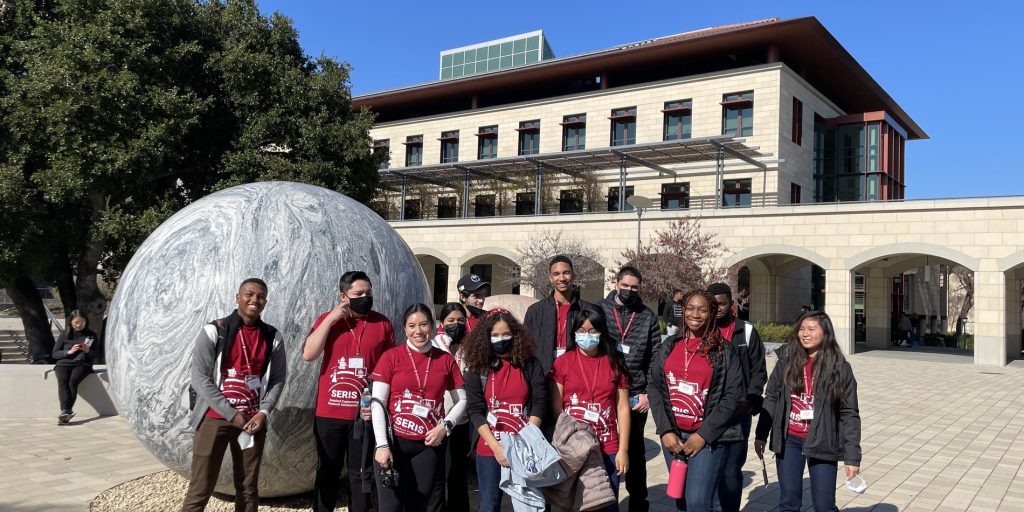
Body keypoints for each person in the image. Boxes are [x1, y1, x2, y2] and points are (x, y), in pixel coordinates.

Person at [182, 278, 287, 512]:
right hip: (214, 419)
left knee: (248, 487)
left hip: (252, 422)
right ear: (237, 297)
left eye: (260, 296)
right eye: (249, 294)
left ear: (265, 302)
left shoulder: (272, 336)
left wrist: (264, 411)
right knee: (200, 488)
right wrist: (231, 414)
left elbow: (279, 378)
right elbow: (200, 379)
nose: (254, 300)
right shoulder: (214, 331)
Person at [303, 271, 396, 512]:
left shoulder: (382, 323)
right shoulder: (328, 320)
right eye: (358, 294)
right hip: (329, 413)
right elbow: (308, 354)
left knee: (360, 474)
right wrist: (331, 319)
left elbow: (389, 370)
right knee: (327, 471)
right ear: (343, 296)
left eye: (369, 293)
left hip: (363, 415)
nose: (365, 297)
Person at [755, 311, 862, 512]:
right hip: (790, 441)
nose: (805, 334)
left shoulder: (839, 367)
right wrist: (761, 434)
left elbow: (849, 413)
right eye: (802, 329)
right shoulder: (786, 360)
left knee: (824, 506)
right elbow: (771, 397)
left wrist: (852, 457)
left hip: (823, 441)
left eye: (811, 329)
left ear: (825, 332)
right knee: (789, 503)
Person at [648, 290, 744, 512]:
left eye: (703, 309)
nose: (695, 314)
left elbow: (732, 397)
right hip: (673, 436)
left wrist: (703, 435)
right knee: (679, 497)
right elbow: (654, 385)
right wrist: (665, 430)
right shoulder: (671, 345)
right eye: (690, 308)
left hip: (706, 439)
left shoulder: (724, 351)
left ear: (712, 313)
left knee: (698, 502)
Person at [370, 303, 467, 512]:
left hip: (429, 446)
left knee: (419, 506)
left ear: (432, 326)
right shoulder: (391, 357)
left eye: (423, 325)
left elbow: (463, 400)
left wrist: (446, 426)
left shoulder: (445, 360)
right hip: (395, 442)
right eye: (412, 326)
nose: (418, 331)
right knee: (391, 507)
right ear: (404, 328)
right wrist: (381, 445)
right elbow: (377, 403)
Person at [462, 308, 547, 512]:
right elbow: (475, 410)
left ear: (515, 334)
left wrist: (524, 440)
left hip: (524, 447)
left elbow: (539, 402)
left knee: (528, 504)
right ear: (486, 337)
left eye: (506, 333)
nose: (502, 339)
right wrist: (497, 448)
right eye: (496, 335)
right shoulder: (477, 368)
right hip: (490, 447)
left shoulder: (530, 364)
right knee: (489, 504)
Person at [551, 306, 630, 511]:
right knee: (577, 504)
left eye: (593, 330)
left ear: (602, 332)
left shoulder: (615, 362)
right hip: (575, 448)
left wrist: (623, 450)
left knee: (607, 503)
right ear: (574, 332)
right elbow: (557, 408)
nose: (587, 335)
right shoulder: (563, 363)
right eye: (582, 330)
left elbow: (622, 408)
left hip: (607, 446)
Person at [599, 266, 661, 512]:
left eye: (634, 287)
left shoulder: (647, 316)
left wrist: (647, 392)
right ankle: (602, 501)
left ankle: (638, 503)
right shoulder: (600, 310)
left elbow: (655, 356)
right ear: (616, 284)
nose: (629, 290)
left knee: (635, 453)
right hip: (604, 392)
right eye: (625, 286)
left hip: (635, 394)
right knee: (603, 450)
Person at [707, 282, 767, 512]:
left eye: (722, 304)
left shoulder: (747, 331)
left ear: (731, 304)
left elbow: (759, 370)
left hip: (738, 414)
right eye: (713, 304)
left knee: (731, 471)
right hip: (707, 412)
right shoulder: (700, 330)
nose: (717, 308)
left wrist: (750, 399)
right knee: (708, 468)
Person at [431, 302, 471, 511]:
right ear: (442, 323)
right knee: (440, 470)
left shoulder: (471, 345)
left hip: (462, 418)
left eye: (461, 321)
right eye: (451, 321)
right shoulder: (434, 345)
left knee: (457, 470)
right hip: (438, 418)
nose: (456, 325)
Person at [523, 255, 593, 375]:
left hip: (578, 373)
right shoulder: (535, 311)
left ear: (573, 275)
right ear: (550, 278)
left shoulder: (587, 310)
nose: (561, 278)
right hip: (543, 374)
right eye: (556, 274)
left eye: (566, 273)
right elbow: (525, 347)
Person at [52, 309, 98, 424]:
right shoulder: (64, 335)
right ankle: (66, 412)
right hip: (64, 363)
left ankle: (66, 412)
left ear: (86, 322)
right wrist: (69, 352)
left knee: (72, 381)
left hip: (82, 363)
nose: (79, 325)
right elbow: (54, 353)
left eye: (82, 322)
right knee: (63, 381)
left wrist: (87, 351)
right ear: (70, 322)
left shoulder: (91, 335)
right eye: (76, 323)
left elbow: (96, 355)